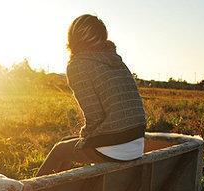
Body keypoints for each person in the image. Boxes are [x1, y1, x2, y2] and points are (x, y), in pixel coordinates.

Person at [36, 14, 146, 177]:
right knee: (66, 141)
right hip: (136, 143)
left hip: (115, 147)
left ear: (73, 37)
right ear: (102, 37)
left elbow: (94, 117)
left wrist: (84, 138)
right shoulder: (115, 59)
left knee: (59, 151)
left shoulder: (78, 65)